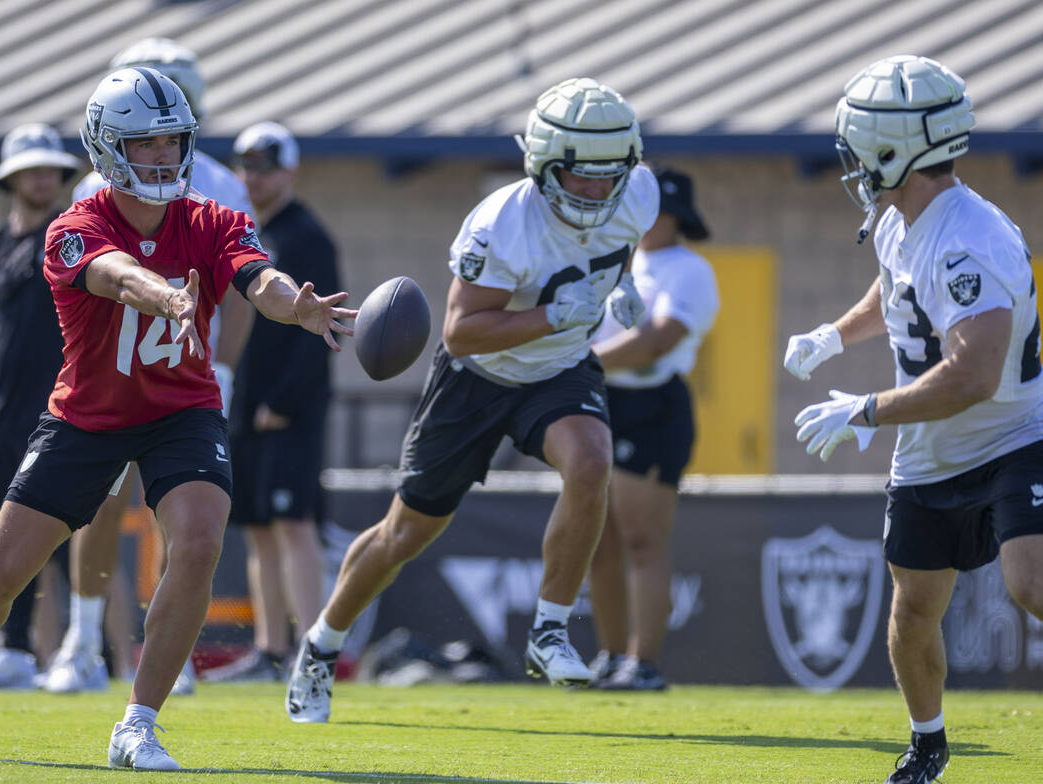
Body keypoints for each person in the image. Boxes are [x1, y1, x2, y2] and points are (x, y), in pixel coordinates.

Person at [0, 66, 355, 770]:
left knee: (199, 540)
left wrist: (298, 306)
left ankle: (138, 722)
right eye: (147, 142)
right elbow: (113, 273)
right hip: (88, 415)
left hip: (182, 408)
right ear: (108, 148)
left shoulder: (213, 217)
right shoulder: (73, 227)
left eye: (174, 139)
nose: (165, 155)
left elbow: (258, 278)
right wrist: (165, 296)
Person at [284, 77, 660, 724]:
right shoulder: (500, 222)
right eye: (581, 177)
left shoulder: (640, 194)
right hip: (477, 377)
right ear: (543, 167)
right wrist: (553, 313)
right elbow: (462, 329)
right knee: (406, 533)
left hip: (559, 369)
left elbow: (606, 250)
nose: (598, 191)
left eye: (610, 175)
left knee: (591, 461)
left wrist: (613, 289)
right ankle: (321, 645)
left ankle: (549, 629)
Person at [785, 54, 1043, 784]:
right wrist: (836, 335)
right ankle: (926, 743)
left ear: (897, 149)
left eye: (862, 143)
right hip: (932, 451)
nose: (853, 160)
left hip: (1014, 432)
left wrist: (866, 408)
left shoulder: (971, 240)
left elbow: (973, 376)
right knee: (914, 608)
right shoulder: (906, 216)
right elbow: (894, 285)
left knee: (1030, 579)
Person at [39, 36, 254, 696]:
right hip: (110, 368)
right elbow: (85, 281)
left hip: (183, 375)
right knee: (98, 507)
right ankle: (83, 636)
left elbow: (246, 282)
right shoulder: (93, 187)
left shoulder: (218, 183)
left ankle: (166, 652)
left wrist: (220, 365)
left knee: (180, 516)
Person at [204, 122, 337, 682]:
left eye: (266, 167)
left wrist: (283, 401)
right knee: (259, 525)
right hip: (246, 403)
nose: (254, 179)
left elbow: (324, 323)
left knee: (293, 523)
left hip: (288, 410)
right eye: (247, 167)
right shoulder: (244, 230)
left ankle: (312, 652)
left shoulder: (306, 236)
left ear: (290, 171)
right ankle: (270, 649)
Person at [586, 167, 718, 691]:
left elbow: (657, 341)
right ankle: (610, 655)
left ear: (675, 216)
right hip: (607, 400)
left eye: (654, 210)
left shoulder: (689, 270)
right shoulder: (621, 260)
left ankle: (644, 664)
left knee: (642, 538)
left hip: (653, 407)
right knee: (599, 539)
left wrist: (585, 364)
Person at [0, 123, 81, 689]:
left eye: (50, 167)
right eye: (31, 167)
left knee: (57, 539)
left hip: (59, 410)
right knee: (2, 533)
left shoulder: (71, 236)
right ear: (10, 177)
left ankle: (78, 651)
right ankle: (12, 650)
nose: (42, 177)